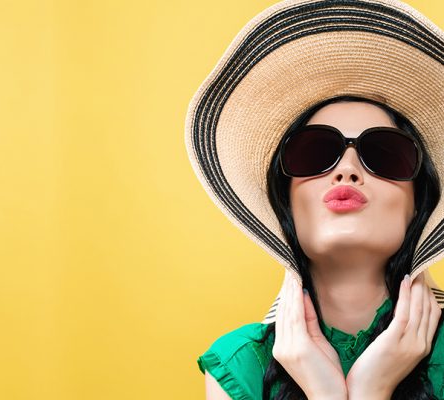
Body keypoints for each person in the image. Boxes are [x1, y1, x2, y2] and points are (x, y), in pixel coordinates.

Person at [185, 0, 444, 399]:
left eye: (385, 155)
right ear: (285, 201)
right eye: (314, 152)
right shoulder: (240, 366)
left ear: (420, 204)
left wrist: (372, 388)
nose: (346, 170)